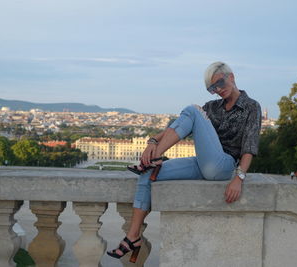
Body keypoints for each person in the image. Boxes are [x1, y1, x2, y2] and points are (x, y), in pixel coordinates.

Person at [107, 62, 262, 263]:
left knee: (193, 109)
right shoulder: (213, 107)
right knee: (148, 174)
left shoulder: (252, 106)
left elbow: (249, 146)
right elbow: (183, 125)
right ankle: (132, 237)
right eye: (212, 88)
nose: (217, 90)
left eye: (220, 83)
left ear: (231, 77)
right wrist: (154, 139)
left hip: (224, 165)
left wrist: (239, 177)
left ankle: (154, 158)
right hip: (203, 163)